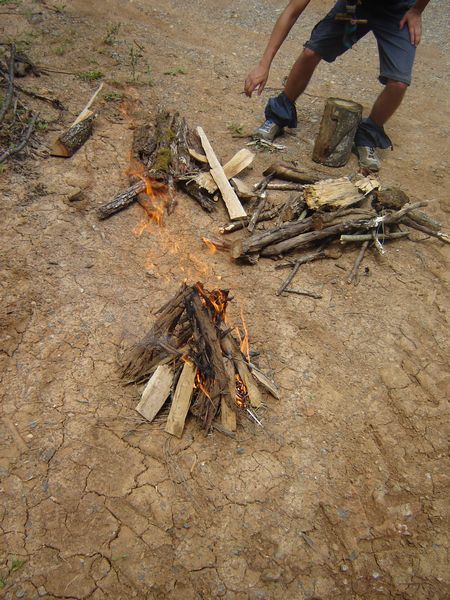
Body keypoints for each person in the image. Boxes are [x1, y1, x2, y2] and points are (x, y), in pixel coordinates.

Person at [244, 0, 430, 171]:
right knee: (311, 52)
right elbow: (292, 11)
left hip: (397, 12)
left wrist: (416, 10)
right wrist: (264, 64)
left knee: (398, 83)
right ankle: (279, 114)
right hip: (354, 7)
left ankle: (368, 134)